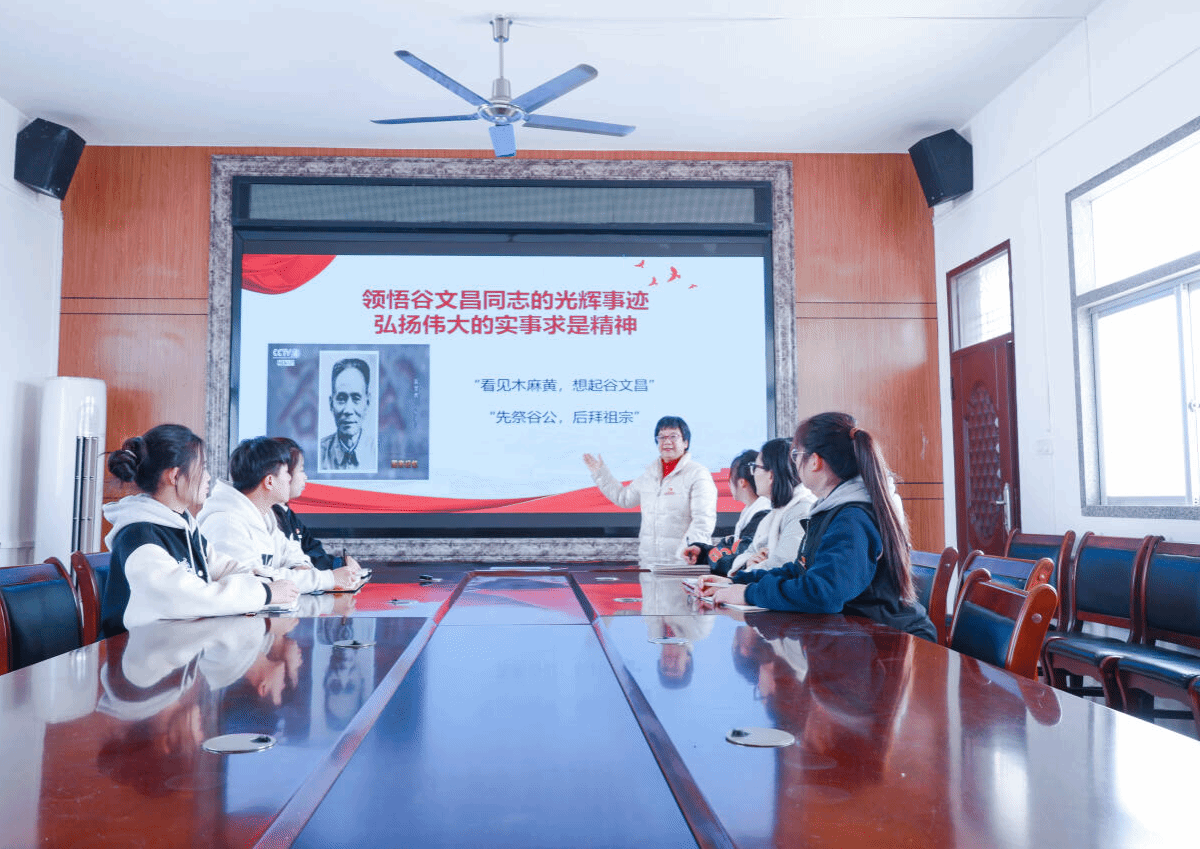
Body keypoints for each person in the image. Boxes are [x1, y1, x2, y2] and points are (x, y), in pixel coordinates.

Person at [699, 412, 936, 640]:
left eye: (796, 454)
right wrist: (738, 582)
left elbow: (823, 593)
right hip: (858, 635)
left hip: (888, 641)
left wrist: (749, 594)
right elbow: (800, 571)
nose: (794, 463)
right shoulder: (831, 510)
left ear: (814, 461)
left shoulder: (851, 518)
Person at [102, 424, 299, 636]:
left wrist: (265, 580)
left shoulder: (182, 525)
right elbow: (192, 597)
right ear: (175, 476)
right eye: (202, 468)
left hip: (175, 644)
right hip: (133, 650)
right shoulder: (139, 537)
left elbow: (223, 566)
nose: (208, 477)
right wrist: (265, 593)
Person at [198, 436, 362, 593]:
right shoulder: (227, 523)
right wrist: (327, 579)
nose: (290, 478)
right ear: (269, 481)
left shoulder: (265, 517)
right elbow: (253, 583)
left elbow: (293, 554)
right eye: (286, 472)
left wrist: (301, 569)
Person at [583, 415, 717, 568]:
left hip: (684, 565)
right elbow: (624, 498)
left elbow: (703, 521)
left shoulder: (698, 474)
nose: (667, 441)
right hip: (650, 564)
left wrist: (685, 554)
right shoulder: (650, 474)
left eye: (673, 436)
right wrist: (600, 473)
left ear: (686, 442)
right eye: (662, 437)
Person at [271, 436, 365, 574]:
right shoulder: (265, 516)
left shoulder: (287, 514)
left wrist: (340, 563)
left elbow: (312, 549)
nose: (305, 477)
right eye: (301, 470)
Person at [726, 437, 816, 576]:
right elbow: (750, 552)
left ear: (771, 475)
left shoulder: (801, 511)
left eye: (756, 468)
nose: (753, 474)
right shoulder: (775, 513)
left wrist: (751, 570)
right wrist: (749, 562)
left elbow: (783, 566)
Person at [682, 449, 770, 575]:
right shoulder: (752, 513)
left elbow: (736, 560)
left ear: (741, 482)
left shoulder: (762, 515)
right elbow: (729, 549)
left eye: (730, 479)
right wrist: (702, 552)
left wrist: (711, 556)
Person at [319, 357, 376, 472]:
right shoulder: (320, 452)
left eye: (356, 398)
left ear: (367, 402)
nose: (348, 410)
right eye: (341, 399)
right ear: (331, 404)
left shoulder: (378, 451)